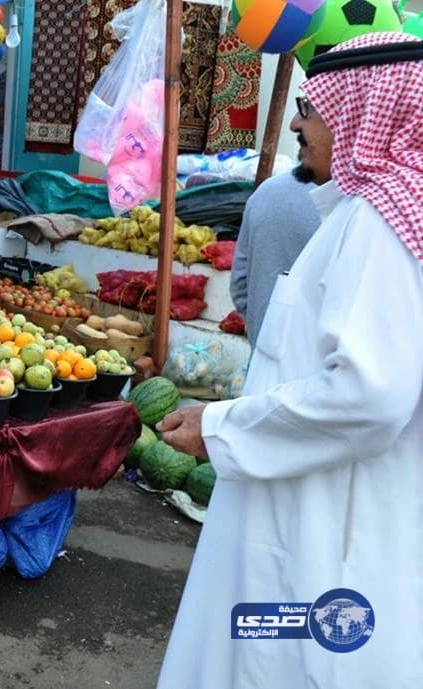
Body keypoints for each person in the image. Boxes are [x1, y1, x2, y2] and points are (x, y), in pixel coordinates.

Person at [155, 32, 423, 688]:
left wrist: (221, 428)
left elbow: (370, 394)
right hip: (305, 511)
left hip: (321, 533)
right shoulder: (359, 217)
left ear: (369, 110)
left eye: (313, 105)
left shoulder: (378, 229)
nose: (299, 123)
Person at [230, 168, 322, 346]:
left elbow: (240, 283)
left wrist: (260, 325)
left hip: (263, 353)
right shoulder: (351, 204)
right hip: (316, 360)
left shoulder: (265, 192)